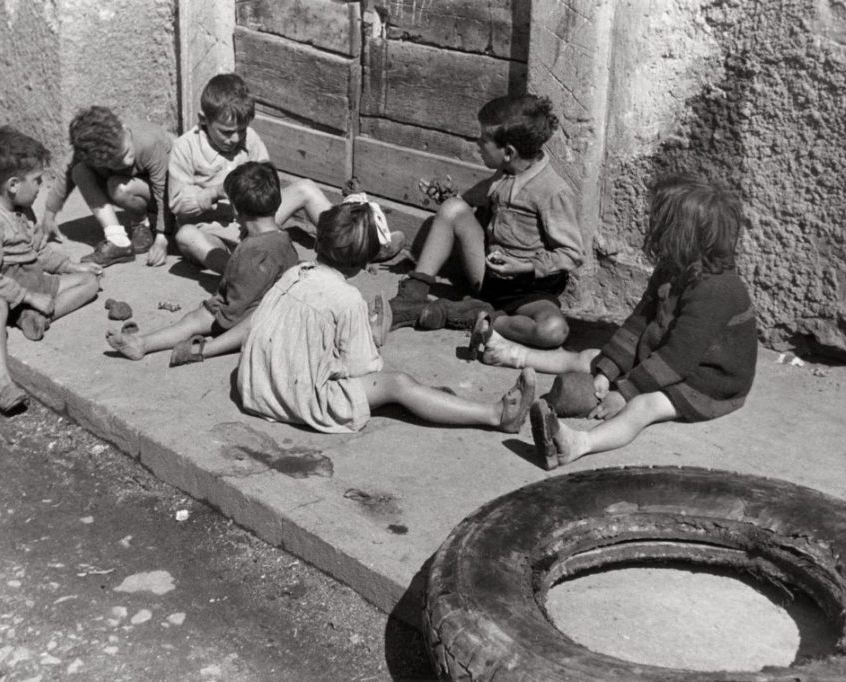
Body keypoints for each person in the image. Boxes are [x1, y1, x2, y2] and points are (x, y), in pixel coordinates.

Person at [470, 174, 757, 469]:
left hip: (707, 381)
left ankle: (577, 444)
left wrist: (625, 391)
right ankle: (508, 353)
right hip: (667, 354)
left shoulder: (717, 290)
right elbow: (638, 324)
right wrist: (608, 370)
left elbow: (678, 359)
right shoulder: (673, 267)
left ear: (684, 236)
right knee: (591, 357)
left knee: (644, 406)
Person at [236, 200, 534, 435]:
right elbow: (363, 369)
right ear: (365, 264)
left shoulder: (293, 274)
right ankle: (496, 415)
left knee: (392, 384)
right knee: (398, 384)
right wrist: (377, 337)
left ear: (316, 244)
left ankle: (433, 401)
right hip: (299, 402)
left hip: (257, 388)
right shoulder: (347, 299)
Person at [387, 94, 584, 346]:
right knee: (452, 208)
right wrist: (446, 195)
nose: (477, 144)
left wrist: (523, 266)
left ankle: (476, 316)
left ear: (509, 152)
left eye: (484, 140)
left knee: (553, 331)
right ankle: (412, 295)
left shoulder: (553, 192)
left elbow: (572, 254)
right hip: (487, 274)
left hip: (528, 292)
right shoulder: (504, 174)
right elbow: (466, 203)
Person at [169, 73, 403, 274]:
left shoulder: (250, 140)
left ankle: (357, 242)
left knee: (306, 188)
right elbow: (177, 204)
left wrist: (258, 200)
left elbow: (269, 182)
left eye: (241, 130)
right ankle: (244, 275)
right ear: (203, 120)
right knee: (186, 236)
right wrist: (213, 192)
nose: (236, 138)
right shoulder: (185, 147)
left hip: (255, 221)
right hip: (217, 232)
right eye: (227, 132)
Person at [0, 126, 102, 413]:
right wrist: (29, 296)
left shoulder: (21, 206)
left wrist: (69, 265)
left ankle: (33, 317)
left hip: (15, 273)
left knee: (89, 282)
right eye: (38, 180)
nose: (42, 186)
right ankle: (3, 384)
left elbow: (36, 249)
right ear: (14, 184)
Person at [106, 161, 298, 365]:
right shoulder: (281, 239)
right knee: (195, 319)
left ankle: (157, 345)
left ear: (235, 210)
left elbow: (235, 310)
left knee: (197, 321)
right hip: (265, 304)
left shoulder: (254, 254)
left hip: (251, 315)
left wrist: (216, 313)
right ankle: (142, 343)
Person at [41, 106, 174, 267]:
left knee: (118, 186)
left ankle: (142, 223)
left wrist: (162, 239)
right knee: (80, 171)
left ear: (124, 129)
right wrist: (49, 213)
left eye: (126, 153)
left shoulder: (149, 142)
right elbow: (65, 174)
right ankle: (118, 239)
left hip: (170, 197)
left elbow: (163, 193)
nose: (126, 162)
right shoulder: (92, 151)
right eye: (116, 162)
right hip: (135, 192)